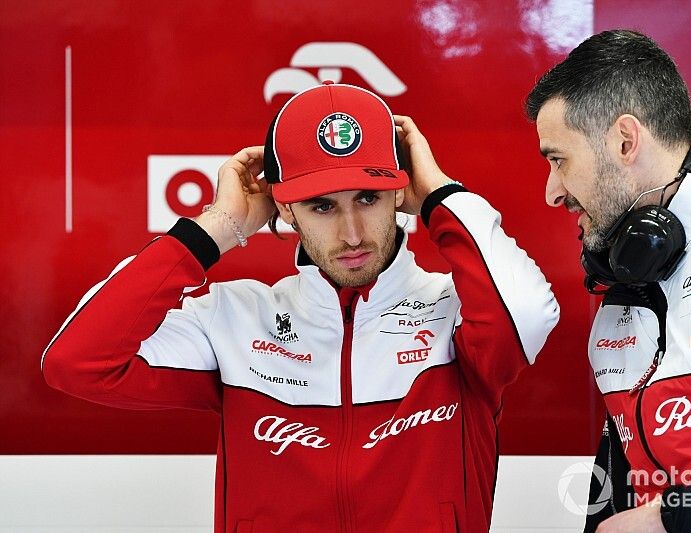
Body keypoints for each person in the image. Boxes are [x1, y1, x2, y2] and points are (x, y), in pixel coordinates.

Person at [41, 82, 559, 532]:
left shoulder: (456, 311)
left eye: (367, 198)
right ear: (285, 207)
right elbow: (78, 362)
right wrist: (219, 228)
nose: (352, 233)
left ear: (399, 193)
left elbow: (529, 314)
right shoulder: (234, 319)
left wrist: (439, 193)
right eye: (322, 206)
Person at [526, 29, 691, 532]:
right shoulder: (624, 279)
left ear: (625, 140)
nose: (552, 192)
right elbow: (619, 485)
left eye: (557, 159)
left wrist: (671, 519)